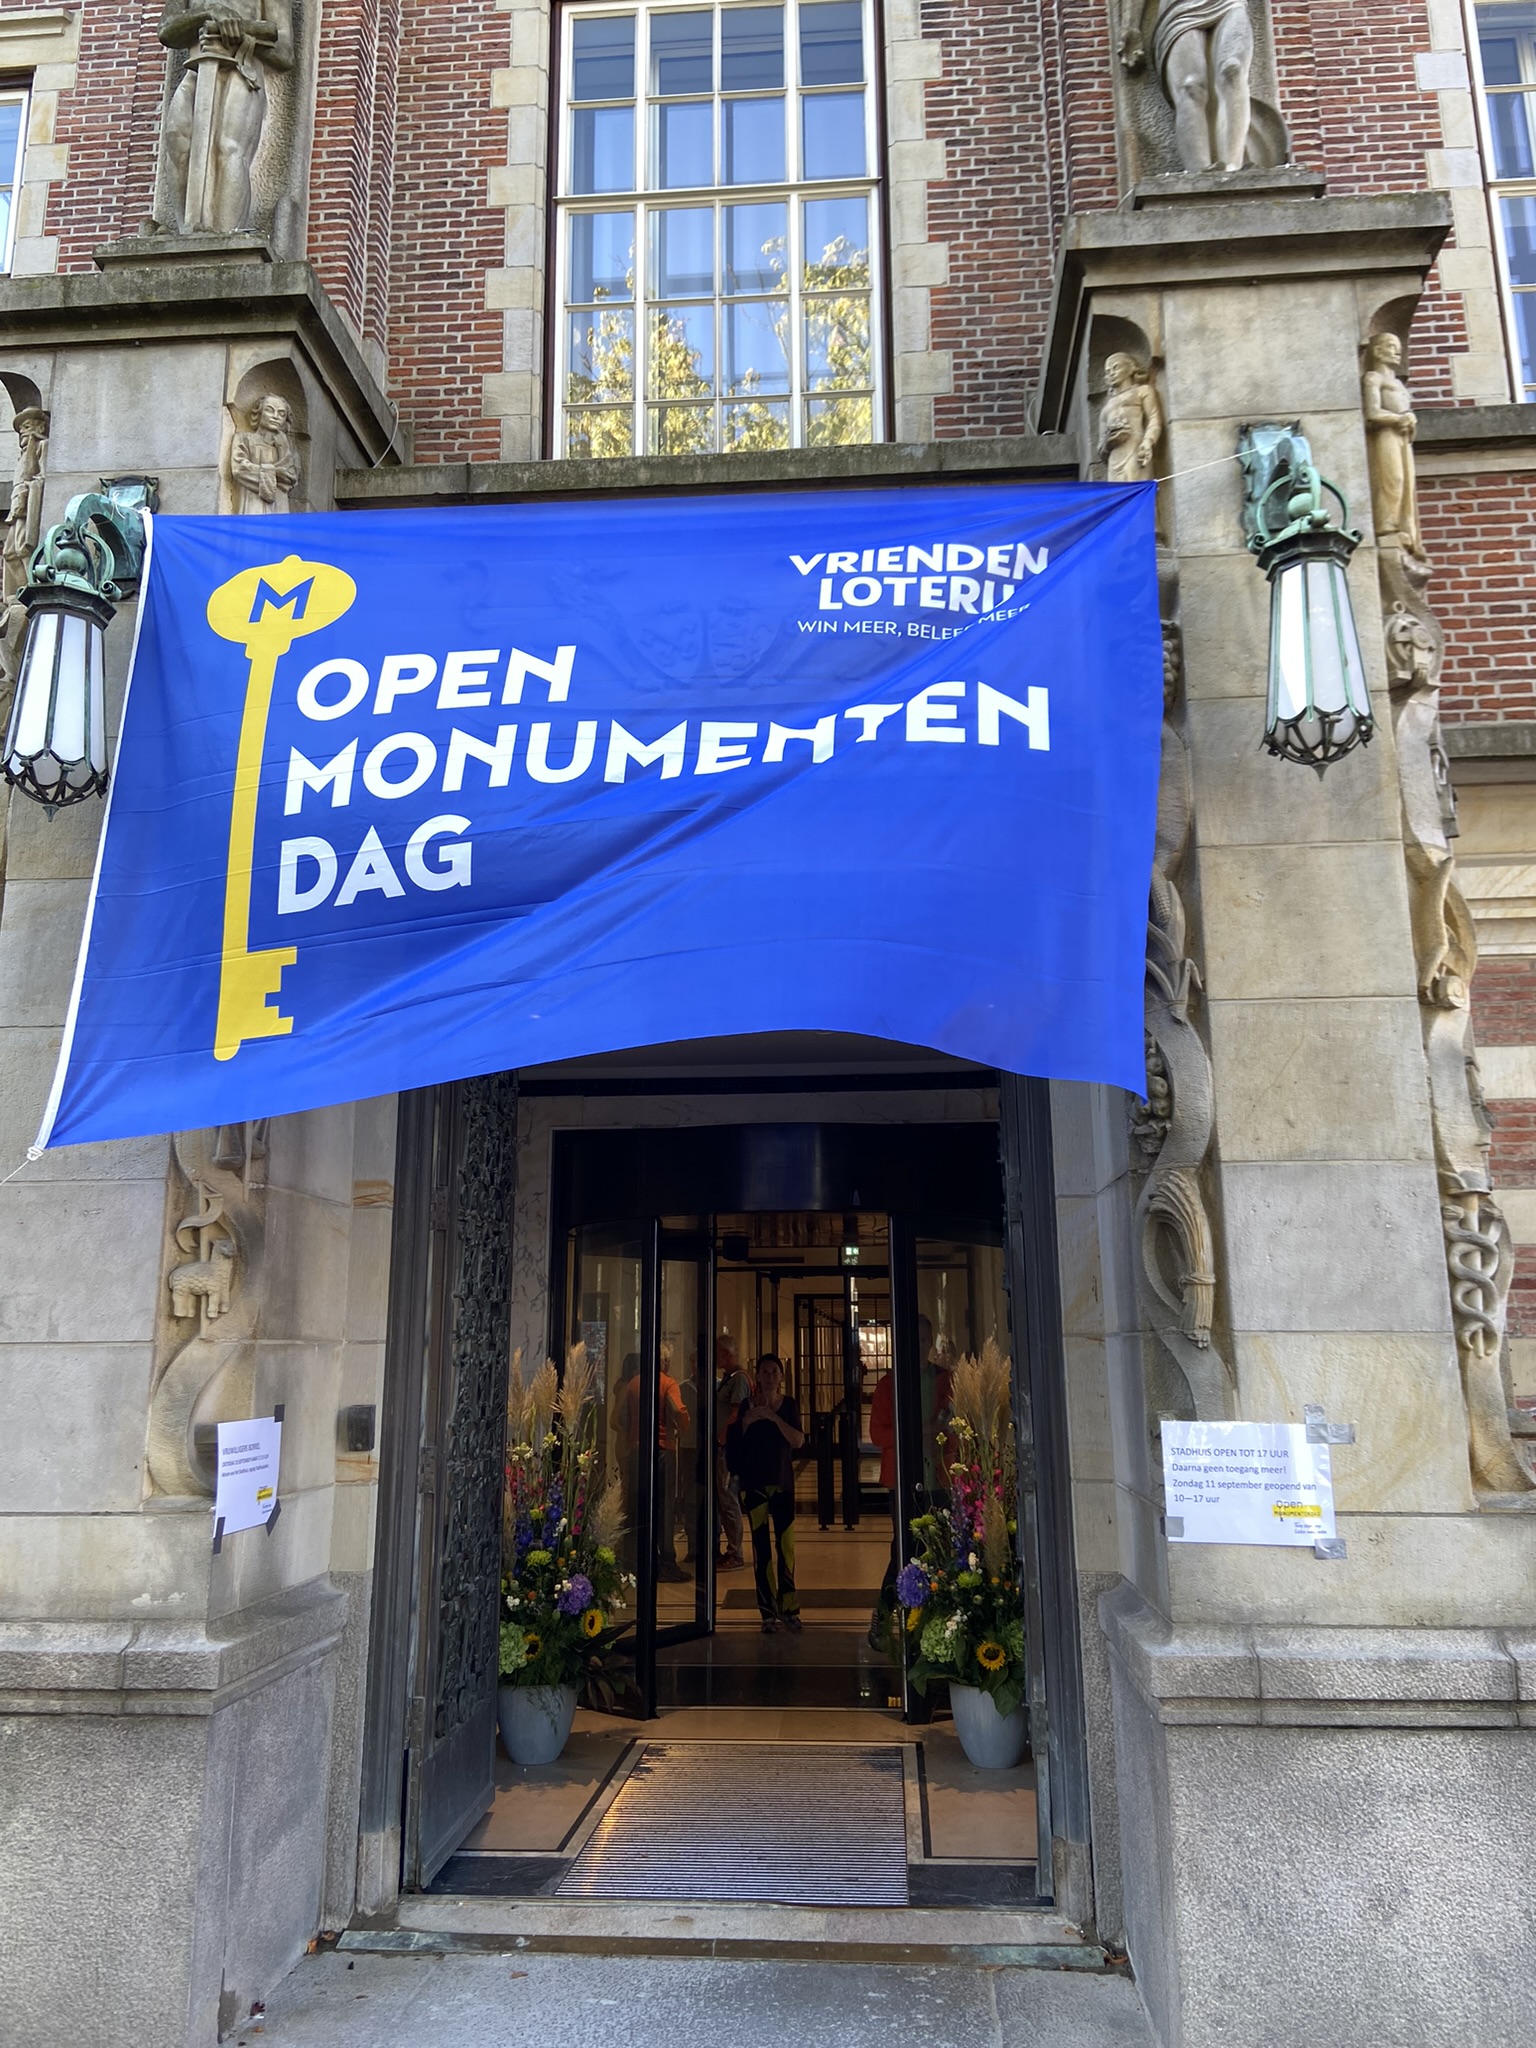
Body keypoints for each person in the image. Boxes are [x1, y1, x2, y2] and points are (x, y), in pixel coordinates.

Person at [868, 1316, 954, 1651]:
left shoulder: (944, 1380)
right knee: (904, 1547)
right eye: (912, 1340)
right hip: (904, 1476)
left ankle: (930, 1620)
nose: (918, 1346)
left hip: (940, 1476)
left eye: (923, 1340)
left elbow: (953, 1428)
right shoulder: (889, 1385)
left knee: (937, 1549)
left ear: (929, 1341)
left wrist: (933, 1432)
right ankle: (886, 1611)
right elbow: (878, 1434)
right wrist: (925, 1429)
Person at [729, 1354, 804, 1633]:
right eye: (765, 1372)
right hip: (754, 1485)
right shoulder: (746, 1406)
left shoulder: (789, 1406)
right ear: (757, 1376)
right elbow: (735, 1445)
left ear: (781, 1376)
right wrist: (748, 1421)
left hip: (782, 1483)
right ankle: (767, 1612)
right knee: (761, 1550)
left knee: (786, 1547)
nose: (770, 1377)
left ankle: (790, 1607)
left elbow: (797, 1439)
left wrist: (772, 1418)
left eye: (775, 1372)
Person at [615, 1349, 691, 1580]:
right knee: (664, 1507)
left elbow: (620, 1418)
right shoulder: (668, 1383)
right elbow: (678, 1410)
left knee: (639, 1506)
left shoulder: (634, 1383)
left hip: (637, 1451)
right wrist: (682, 1426)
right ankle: (665, 1560)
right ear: (665, 1362)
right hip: (662, 1451)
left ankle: (637, 1560)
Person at [714, 1339, 751, 1568]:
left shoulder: (738, 1379)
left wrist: (722, 1438)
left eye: (718, 1354)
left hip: (728, 1447)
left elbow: (736, 1413)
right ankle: (731, 1548)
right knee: (724, 1498)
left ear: (726, 1354)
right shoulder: (728, 1378)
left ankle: (735, 1552)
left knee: (728, 1499)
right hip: (723, 1445)